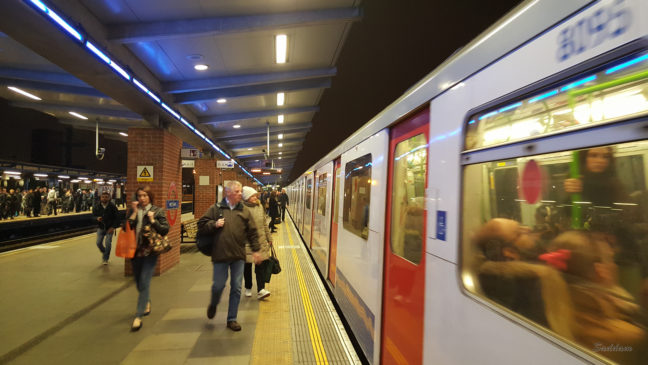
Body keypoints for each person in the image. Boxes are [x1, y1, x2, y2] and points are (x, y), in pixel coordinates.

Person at [198, 180, 261, 331]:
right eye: (238, 191)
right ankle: (213, 304)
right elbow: (201, 225)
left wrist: (256, 250)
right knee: (218, 285)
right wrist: (214, 224)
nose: (241, 194)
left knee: (236, 287)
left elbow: (252, 231)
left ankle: (232, 319)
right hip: (220, 255)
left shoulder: (244, 211)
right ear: (228, 193)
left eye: (240, 191)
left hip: (238, 255)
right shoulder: (216, 208)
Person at [126, 186, 169, 331]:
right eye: (139, 196)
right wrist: (133, 213)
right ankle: (147, 301)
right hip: (135, 251)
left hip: (150, 252)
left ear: (150, 196)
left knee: (144, 280)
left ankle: (138, 316)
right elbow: (126, 228)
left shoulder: (157, 211)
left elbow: (165, 229)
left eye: (145, 195)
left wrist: (152, 220)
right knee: (138, 281)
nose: (142, 198)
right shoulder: (133, 211)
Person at [241, 186, 272, 300]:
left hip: (261, 241)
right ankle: (248, 287)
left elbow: (264, 224)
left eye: (255, 195)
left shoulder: (260, 207)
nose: (255, 197)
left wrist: (269, 238)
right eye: (252, 196)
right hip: (247, 243)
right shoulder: (241, 209)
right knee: (247, 267)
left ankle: (261, 289)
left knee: (261, 266)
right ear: (246, 198)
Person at [93, 191, 119, 265]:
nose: (104, 198)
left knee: (108, 243)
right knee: (98, 243)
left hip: (109, 228)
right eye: (103, 197)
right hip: (101, 227)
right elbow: (92, 217)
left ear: (109, 198)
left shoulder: (112, 206)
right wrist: (96, 218)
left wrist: (113, 227)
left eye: (106, 197)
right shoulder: (96, 206)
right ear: (100, 198)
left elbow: (117, 218)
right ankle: (105, 252)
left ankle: (105, 259)